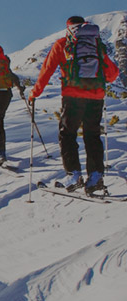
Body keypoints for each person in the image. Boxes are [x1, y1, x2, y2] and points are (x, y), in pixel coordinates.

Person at [29, 16, 119, 194]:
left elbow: (46, 71)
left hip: (73, 97)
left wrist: (34, 93)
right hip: (96, 96)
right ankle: (95, 177)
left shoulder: (63, 44)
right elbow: (112, 74)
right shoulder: (95, 44)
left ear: (68, 28)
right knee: (92, 135)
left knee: (67, 135)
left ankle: (73, 175)